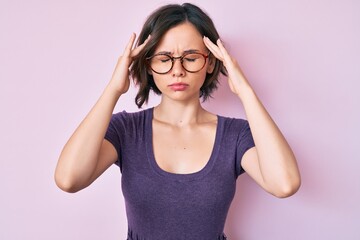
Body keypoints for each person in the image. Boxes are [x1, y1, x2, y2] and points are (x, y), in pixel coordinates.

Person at [54, 3, 301, 239]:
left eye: (191, 57)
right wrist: (114, 89)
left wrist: (245, 91)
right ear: (148, 64)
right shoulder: (126, 130)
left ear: (211, 62)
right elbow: (69, 179)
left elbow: (284, 184)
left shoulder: (235, 135)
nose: (177, 70)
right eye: (164, 58)